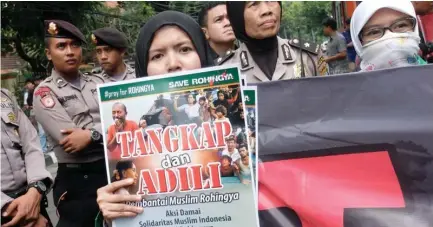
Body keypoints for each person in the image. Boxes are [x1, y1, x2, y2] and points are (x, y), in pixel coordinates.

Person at [98, 10, 214, 224]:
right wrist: (113, 217)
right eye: (157, 56)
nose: (173, 64)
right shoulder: (136, 135)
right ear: (143, 65)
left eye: (185, 49)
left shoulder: (220, 120)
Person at [33, 20, 107, 226]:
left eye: (75, 45)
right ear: (49, 54)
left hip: (110, 170)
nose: (70, 51)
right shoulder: (44, 93)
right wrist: (107, 131)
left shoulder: (99, 83)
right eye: (61, 46)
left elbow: (121, 121)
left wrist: (91, 135)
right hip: (78, 182)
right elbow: (72, 143)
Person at [221, 1, 320, 83]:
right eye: (254, 4)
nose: (267, 10)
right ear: (237, 15)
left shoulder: (308, 56)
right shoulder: (225, 71)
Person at [1, 89, 53, 227]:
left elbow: (31, 143)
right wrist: (15, 210)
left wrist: (35, 191)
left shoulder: (5, 96)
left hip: (31, 199)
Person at [351, 0, 427, 71]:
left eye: (401, 25)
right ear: (358, 42)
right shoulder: (352, 84)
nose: (389, 36)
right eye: (374, 32)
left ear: (415, 29)